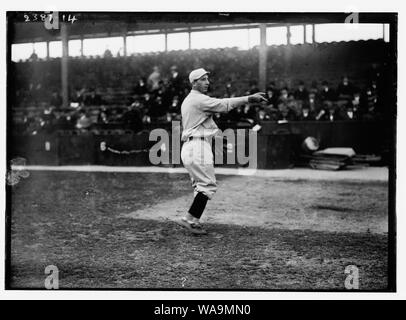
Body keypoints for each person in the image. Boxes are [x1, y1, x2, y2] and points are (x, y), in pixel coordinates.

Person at [178, 68, 267, 235]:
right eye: (203, 79)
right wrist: (248, 98)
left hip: (192, 146)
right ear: (194, 83)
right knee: (207, 186)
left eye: (207, 79)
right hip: (198, 146)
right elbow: (224, 105)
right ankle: (189, 219)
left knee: (200, 186)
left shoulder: (188, 100)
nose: (207, 82)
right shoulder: (198, 100)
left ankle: (194, 221)